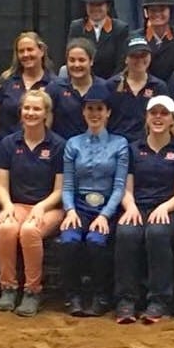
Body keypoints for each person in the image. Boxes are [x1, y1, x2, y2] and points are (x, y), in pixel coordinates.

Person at [115, 95, 174, 323]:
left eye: (164, 113)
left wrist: (164, 208)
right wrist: (130, 207)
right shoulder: (132, 149)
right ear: (146, 118)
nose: (158, 117)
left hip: (169, 210)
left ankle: (159, 300)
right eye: (153, 113)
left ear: (172, 120)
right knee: (126, 233)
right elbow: (125, 188)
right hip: (137, 208)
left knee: (157, 233)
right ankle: (126, 300)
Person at [0, 89, 65, 317]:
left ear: (46, 113)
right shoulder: (8, 143)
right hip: (16, 204)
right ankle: (8, 287)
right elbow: (1, 186)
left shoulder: (58, 145)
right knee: (6, 228)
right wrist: (7, 206)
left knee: (29, 231)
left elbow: (60, 190)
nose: (31, 113)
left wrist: (41, 207)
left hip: (49, 207)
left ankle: (33, 291)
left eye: (37, 109)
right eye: (27, 108)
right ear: (20, 111)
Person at [59, 83, 128, 317]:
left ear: (108, 112)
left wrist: (105, 215)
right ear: (83, 112)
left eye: (99, 109)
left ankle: (101, 295)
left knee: (97, 242)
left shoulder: (120, 144)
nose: (95, 114)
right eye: (90, 109)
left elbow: (120, 187)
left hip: (106, 206)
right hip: (78, 205)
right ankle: (73, 296)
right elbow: (67, 185)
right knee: (69, 240)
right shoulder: (73, 144)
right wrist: (69, 210)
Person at [0, 31, 54, 140]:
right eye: (21, 51)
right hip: (6, 149)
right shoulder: (6, 80)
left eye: (30, 49)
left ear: (41, 51)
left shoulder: (54, 83)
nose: (26, 54)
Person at [105, 35, 169, 143]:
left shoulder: (159, 86)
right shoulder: (111, 85)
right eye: (134, 56)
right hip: (116, 144)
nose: (139, 59)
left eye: (144, 55)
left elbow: (167, 120)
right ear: (126, 58)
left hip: (147, 144)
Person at [66, 0, 128, 79]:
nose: (95, 8)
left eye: (99, 4)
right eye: (91, 4)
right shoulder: (76, 27)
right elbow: (71, 58)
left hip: (111, 85)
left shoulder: (120, 29)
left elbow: (121, 64)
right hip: (82, 81)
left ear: (108, 6)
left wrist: (107, 86)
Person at [46, 39, 107, 139]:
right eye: (72, 60)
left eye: (81, 60)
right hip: (63, 149)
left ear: (91, 61)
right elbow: (46, 126)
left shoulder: (104, 87)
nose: (76, 65)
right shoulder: (55, 88)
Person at [132, 0, 174, 82]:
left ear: (170, 11)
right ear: (146, 13)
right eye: (153, 10)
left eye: (162, 10)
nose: (157, 14)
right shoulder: (136, 37)